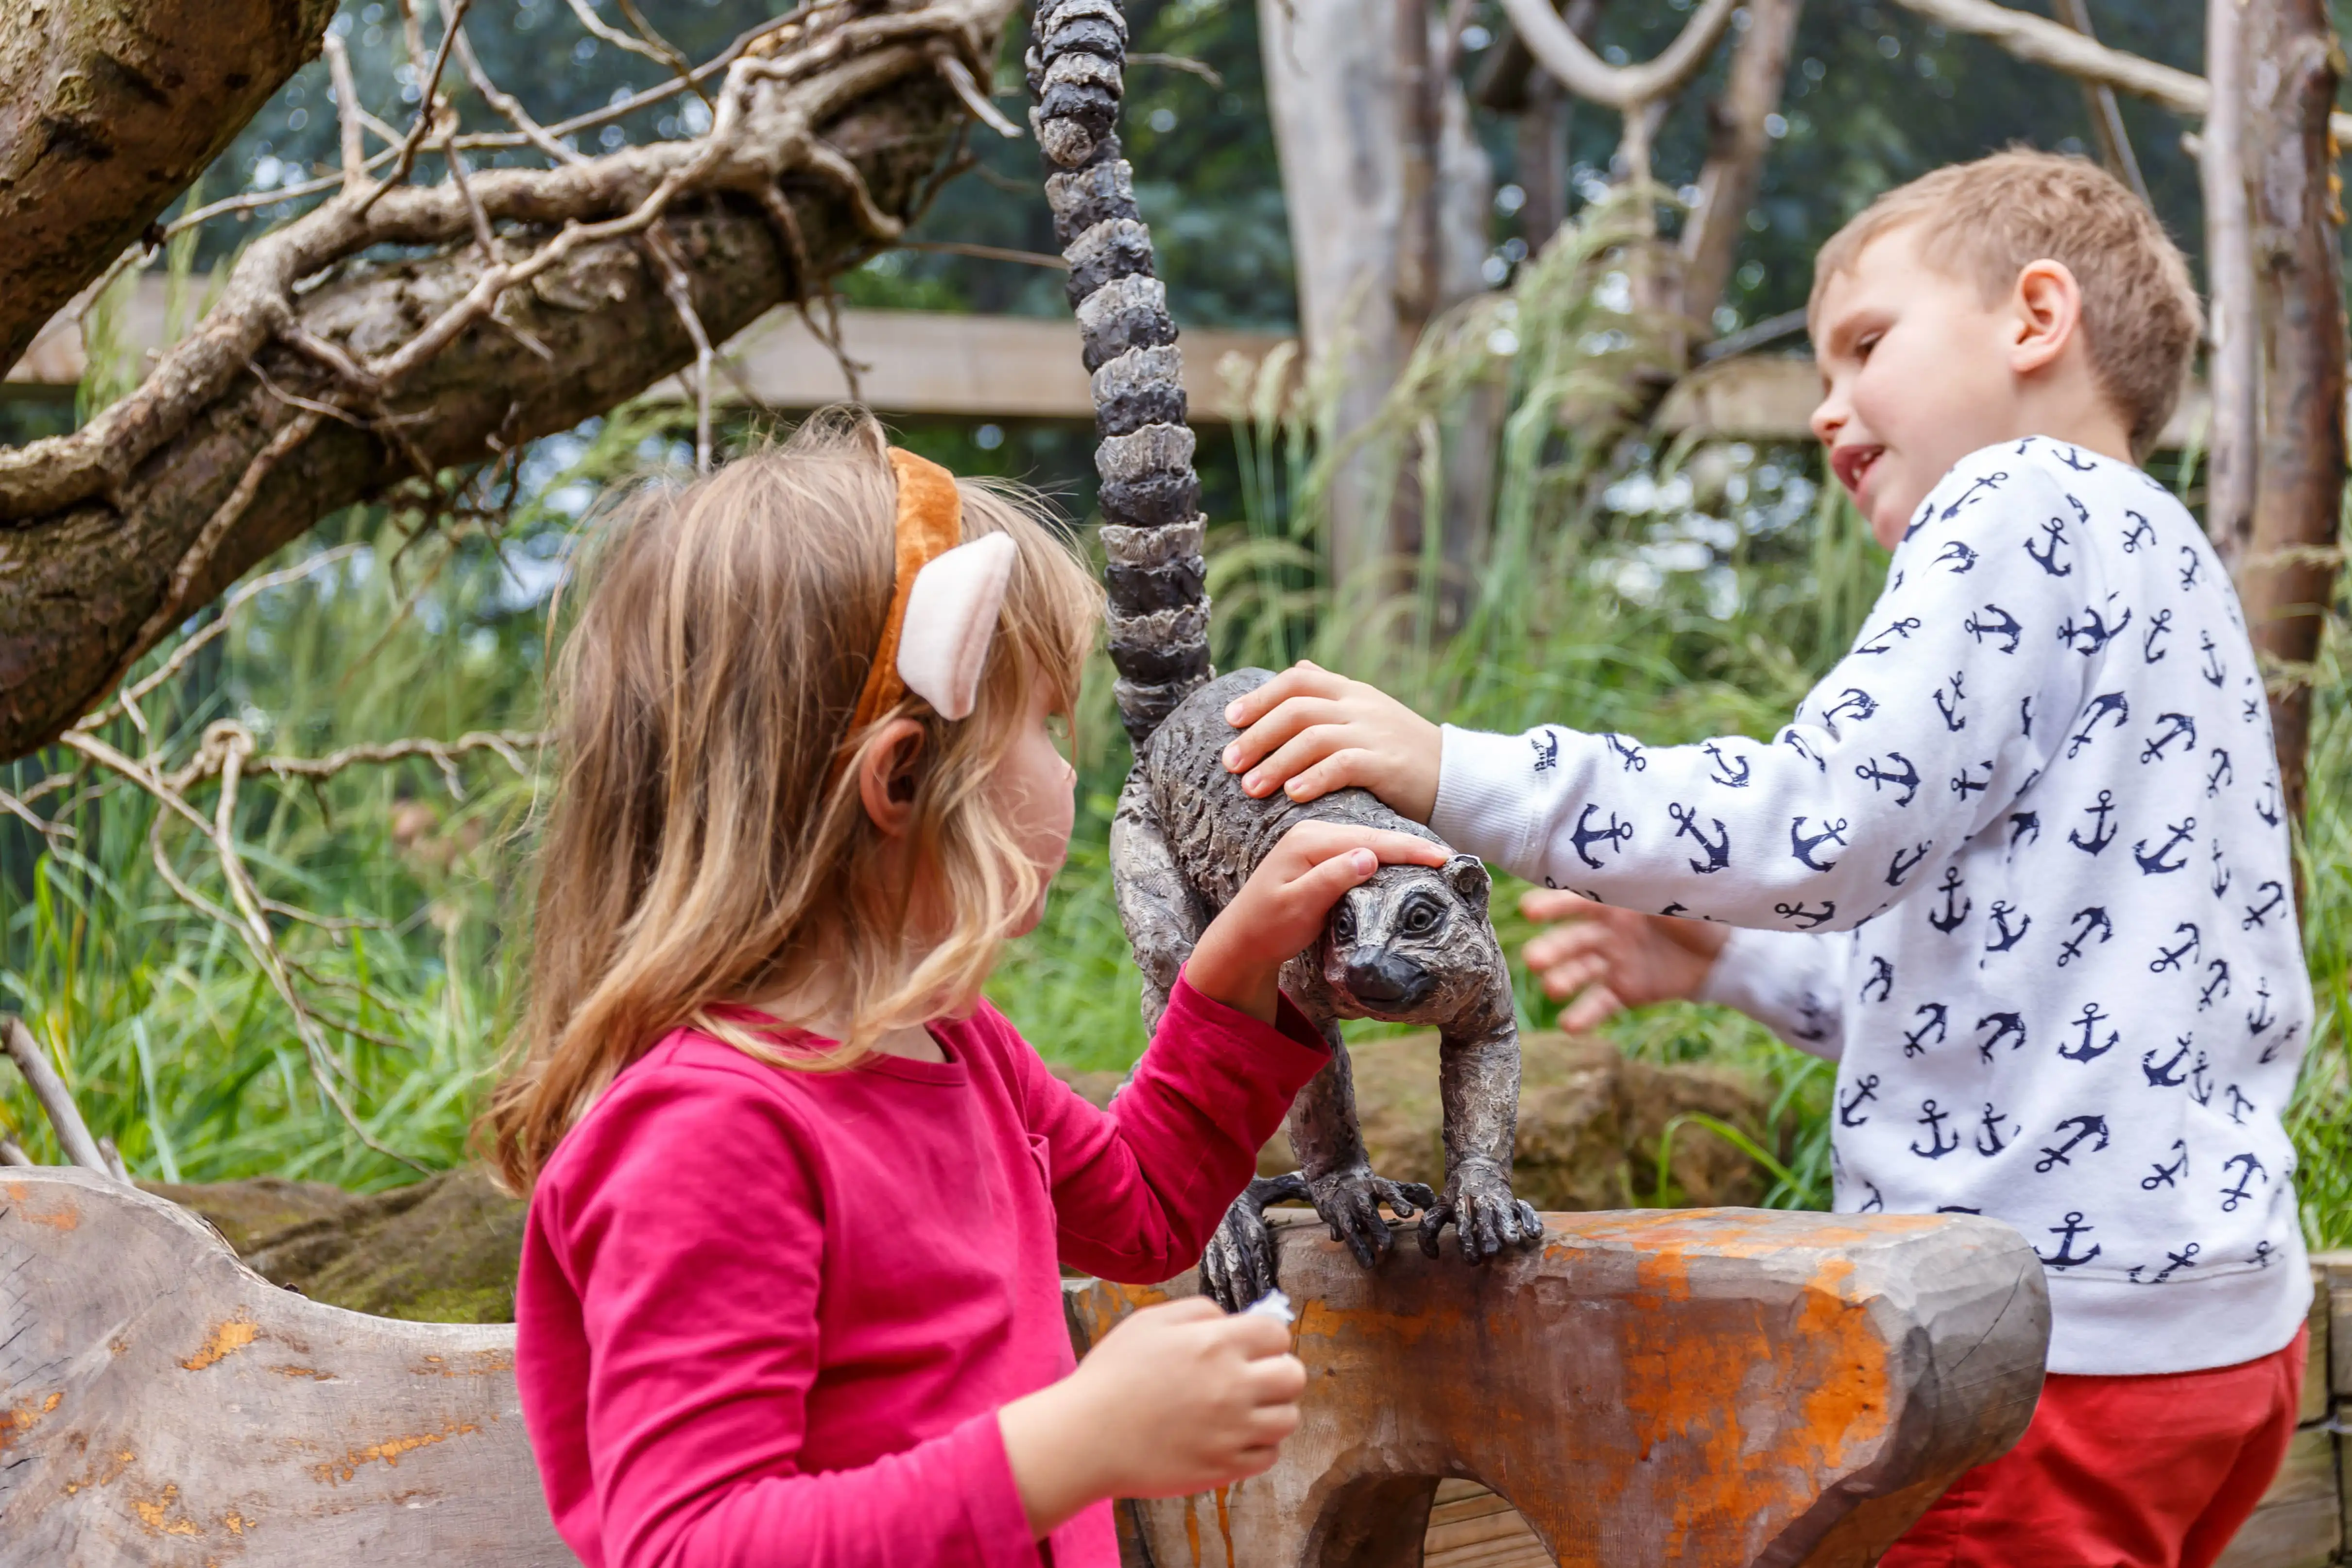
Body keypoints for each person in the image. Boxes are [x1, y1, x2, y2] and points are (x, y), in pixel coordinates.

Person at [1215, 151, 2315, 1568]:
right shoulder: (2169, 570)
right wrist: (1725, 954)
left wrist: (1454, 769)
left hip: (2039, 1348)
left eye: (1867, 345)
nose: (1826, 406)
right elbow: (2030, 993)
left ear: (2038, 318)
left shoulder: (2015, 500)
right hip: (2218, 1340)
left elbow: (1821, 820)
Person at [488, 412, 1449, 1568]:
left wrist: (1238, 962)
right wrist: (1068, 1444)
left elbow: (1141, 1210)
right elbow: (694, 1542)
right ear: (899, 778)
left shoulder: (952, 1047)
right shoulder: (706, 1133)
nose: (1073, 769)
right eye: (1043, 726)